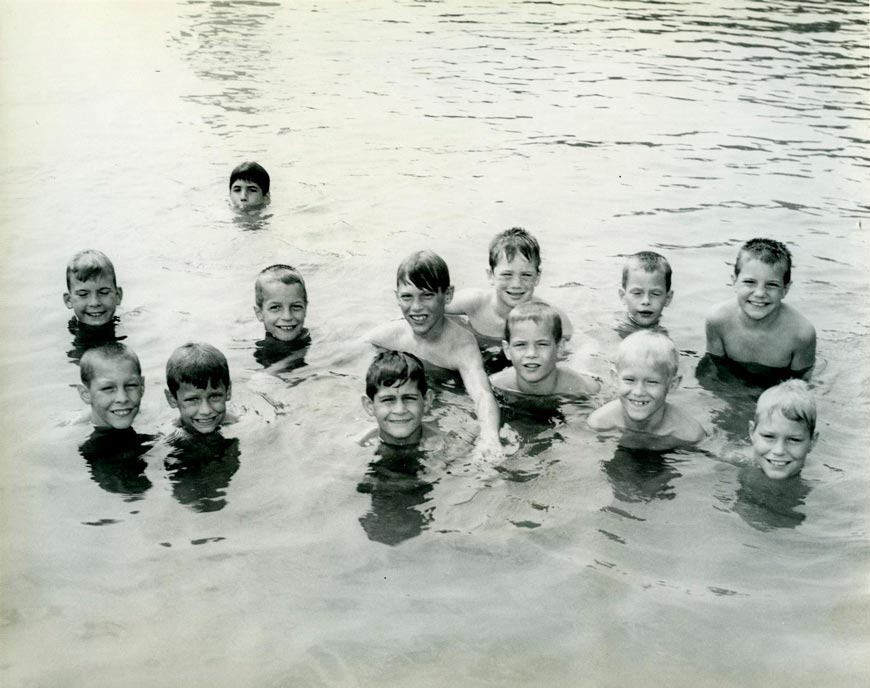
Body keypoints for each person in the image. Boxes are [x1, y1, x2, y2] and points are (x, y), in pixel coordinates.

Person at [366, 250, 502, 457]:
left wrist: (489, 436)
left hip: (445, 397)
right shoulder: (389, 337)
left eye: (427, 295)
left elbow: (482, 393)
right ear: (397, 298)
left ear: (447, 295)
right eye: (407, 297)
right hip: (411, 400)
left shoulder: (461, 345)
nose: (416, 307)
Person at [704, 238, 816, 382]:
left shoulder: (801, 334)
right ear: (734, 282)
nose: (760, 293)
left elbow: (801, 386)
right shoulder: (718, 320)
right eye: (750, 282)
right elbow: (713, 371)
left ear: (785, 289)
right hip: (733, 384)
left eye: (772, 285)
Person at [446, 227, 574, 344]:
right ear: (491, 275)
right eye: (507, 275)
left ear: (537, 277)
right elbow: (431, 305)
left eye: (526, 275)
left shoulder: (553, 318)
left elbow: (579, 346)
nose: (516, 284)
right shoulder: (474, 303)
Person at [588, 330, 705, 448]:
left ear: (672, 384)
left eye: (652, 382)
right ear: (614, 378)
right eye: (629, 380)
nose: (639, 392)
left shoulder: (688, 434)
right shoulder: (600, 422)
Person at [490, 302, 599, 397]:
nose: (531, 354)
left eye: (542, 344)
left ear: (559, 348)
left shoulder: (582, 389)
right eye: (520, 345)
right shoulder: (496, 385)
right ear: (507, 350)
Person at [360, 350, 438, 448]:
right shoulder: (358, 451)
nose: (400, 410)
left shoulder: (449, 449)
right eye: (388, 400)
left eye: (409, 398)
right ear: (369, 406)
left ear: (426, 401)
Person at [748, 379, 818, 480]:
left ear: (812, 441)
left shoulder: (817, 478)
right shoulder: (733, 460)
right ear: (751, 432)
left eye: (794, 440)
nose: (779, 451)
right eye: (769, 436)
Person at [64, 249, 124, 359]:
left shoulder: (127, 326)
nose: (95, 303)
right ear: (69, 300)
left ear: (118, 295)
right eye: (83, 294)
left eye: (103, 292)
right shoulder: (65, 336)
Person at [164, 342, 233, 436]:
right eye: (192, 399)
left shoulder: (241, 426)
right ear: (172, 399)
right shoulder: (168, 435)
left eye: (214, 396)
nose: (206, 411)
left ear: (228, 391)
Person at [253, 264, 311, 369]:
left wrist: (274, 370)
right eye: (275, 307)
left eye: (296, 307)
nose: (287, 317)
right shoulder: (258, 347)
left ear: (305, 308)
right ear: (259, 313)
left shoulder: (308, 340)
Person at [77, 342, 144, 431]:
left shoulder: (152, 416)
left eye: (131, 385)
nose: (122, 398)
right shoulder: (69, 438)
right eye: (108, 388)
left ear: (142, 386)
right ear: (85, 394)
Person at [617, 251, 673, 336]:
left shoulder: (667, 331)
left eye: (655, 294)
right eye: (637, 293)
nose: (646, 301)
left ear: (668, 298)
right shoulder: (615, 330)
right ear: (623, 296)